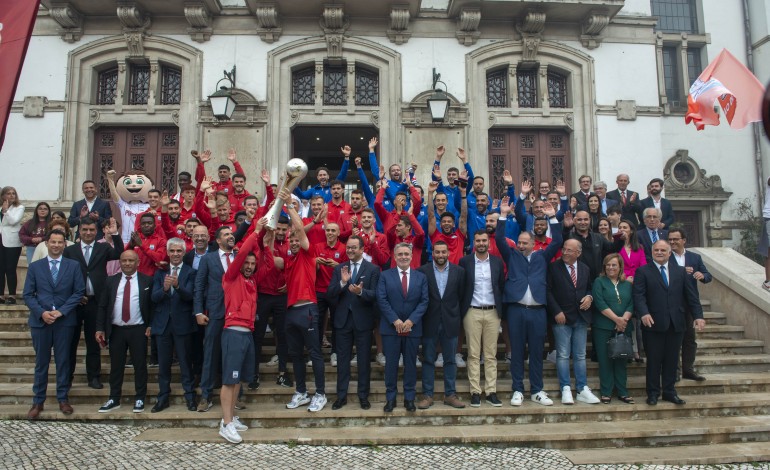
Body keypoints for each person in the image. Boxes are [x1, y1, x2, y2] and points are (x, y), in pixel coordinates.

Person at [496, 196, 562, 406]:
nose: (522, 245)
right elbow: (499, 239)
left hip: (537, 311)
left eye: (526, 243)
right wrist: (503, 216)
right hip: (516, 310)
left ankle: (537, 390)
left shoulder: (542, 256)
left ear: (534, 244)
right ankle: (518, 389)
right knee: (516, 352)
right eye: (520, 242)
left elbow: (558, 241)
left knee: (536, 352)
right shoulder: (512, 255)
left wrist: (552, 217)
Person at [23, 229, 85, 419]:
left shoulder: (73, 266)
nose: (56, 245)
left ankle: (63, 398)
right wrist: (42, 313)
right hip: (41, 321)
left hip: (64, 321)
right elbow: (27, 294)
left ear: (64, 245)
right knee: (41, 363)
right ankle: (38, 401)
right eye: (53, 242)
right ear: (47, 244)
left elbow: (78, 292)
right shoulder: (36, 267)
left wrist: (61, 311)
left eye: (60, 242)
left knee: (63, 362)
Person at [633, 240, 705, 406]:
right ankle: (652, 393)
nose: (659, 252)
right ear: (652, 252)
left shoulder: (681, 272)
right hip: (652, 324)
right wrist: (643, 313)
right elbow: (639, 296)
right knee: (654, 360)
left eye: (663, 250)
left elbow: (692, 297)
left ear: (669, 253)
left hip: (676, 323)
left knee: (672, 360)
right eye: (656, 250)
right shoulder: (643, 271)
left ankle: (669, 392)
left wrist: (698, 316)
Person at [218, 222, 270, 444]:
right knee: (229, 381)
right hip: (233, 332)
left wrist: (264, 239)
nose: (248, 266)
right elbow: (244, 253)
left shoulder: (251, 281)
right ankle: (226, 423)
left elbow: (260, 256)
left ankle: (231, 417)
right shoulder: (231, 276)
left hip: (247, 332)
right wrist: (256, 230)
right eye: (246, 262)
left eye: (251, 263)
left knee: (237, 380)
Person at [63, 217, 124, 390]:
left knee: (93, 342)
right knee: (70, 343)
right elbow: (65, 277)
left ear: (96, 231)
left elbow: (119, 253)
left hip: (95, 302)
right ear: (79, 231)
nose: (88, 233)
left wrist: (115, 234)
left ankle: (94, 377)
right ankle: (67, 378)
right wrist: (74, 296)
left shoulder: (103, 247)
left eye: (91, 230)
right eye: (85, 230)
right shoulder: (70, 250)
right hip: (74, 304)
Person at [282, 189, 327, 412]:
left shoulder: (308, 253)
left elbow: (300, 230)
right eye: (290, 239)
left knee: (315, 352)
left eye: (296, 238)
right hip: (291, 311)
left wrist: (289, 205)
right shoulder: (287, 260)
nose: (293, 241)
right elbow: (268, 251)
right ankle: (301, 391)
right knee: (296, 354)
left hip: (308, 308)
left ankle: (320, 393)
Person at [95, 250, 154, 413]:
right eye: (124, 260)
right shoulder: (111, 281)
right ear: (119, 262)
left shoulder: (147, 281)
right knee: (116, 366)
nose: (127, 263)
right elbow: (102, 306)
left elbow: (152, 306)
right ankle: (114, 398)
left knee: (140, 365)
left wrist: (151, 325)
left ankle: (140, 398)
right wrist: (100, 328)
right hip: (116, 330)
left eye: (131, 260)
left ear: (138, 262)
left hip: (138, 329)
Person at [327, 235, 380, 410]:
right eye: (348, 247)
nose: (349, 250)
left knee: (364, 361)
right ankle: (341, 396)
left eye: (353, 248)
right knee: (342, 361)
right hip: (343, 322)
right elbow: (330, 293)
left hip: (363, 322)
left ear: (362, 249)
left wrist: (360, 293)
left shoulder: (372, 269)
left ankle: (363, 396)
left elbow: (375, 295)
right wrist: (342, 282)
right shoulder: (340, 268)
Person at [546, 239, 599, 405]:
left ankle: (582, 388)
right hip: (562, 318)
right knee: (562, 355)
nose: (565, 253)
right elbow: (547, 291)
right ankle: (566, 388)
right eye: (564, 249)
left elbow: (590, 288)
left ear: (578, 253)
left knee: (580, 355)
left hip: (581, 317)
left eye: (570, 250)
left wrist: (590, 297)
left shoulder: (584, 268)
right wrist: (556, 311)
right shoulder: (554, 267)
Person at [377, 242, 428, 412]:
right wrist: (396, 321)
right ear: (394, 256)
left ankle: (409, 398)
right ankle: (390, 398)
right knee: (391, 365)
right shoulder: (385, 276)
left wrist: (411, 321)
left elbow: (424, 301)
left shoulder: (420, 277)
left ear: (411, 256)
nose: (403, 257)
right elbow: (382, 300)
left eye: (407, 254)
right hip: (391, 329)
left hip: (412, 328)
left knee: (410, 365)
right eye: (400, 254)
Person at [415, 241, 466, 410]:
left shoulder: (459, 272)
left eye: (443, 252)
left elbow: (462, 297)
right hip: (430, 321)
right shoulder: (423, 271)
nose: (441, 255)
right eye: (437, 252)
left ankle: (450, 394)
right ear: (432, 253)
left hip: (451, 322)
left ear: (448, 252)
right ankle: (427, 395)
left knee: (450, 360)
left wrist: (457, 316)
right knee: (428, 359)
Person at [150, 238, 198, 413]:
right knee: (163, 364)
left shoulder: (191, 272)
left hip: (182, 324)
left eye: (179, 251)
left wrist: (177, 287)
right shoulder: (159, 273)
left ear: (184, 253)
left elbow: (190, 296)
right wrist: (164, 289)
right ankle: (163, 397)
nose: (176, 254)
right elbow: (153, 298)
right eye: (173, 251)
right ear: (168, 253)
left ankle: (190, 396)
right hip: (163, 325)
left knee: (185, 362)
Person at [459, 231, 505, 407]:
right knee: (473, 353)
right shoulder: (465, 262)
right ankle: (475, 391)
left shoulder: (497, 262)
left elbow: (500, 285)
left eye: (484, 240)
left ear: (489, 243)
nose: (481, 243)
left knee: (491, 354)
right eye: (477, 240)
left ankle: (491, 391)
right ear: (473, 243)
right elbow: (462, 286)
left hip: (493, 311)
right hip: (472, 311)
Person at [193, 226, 237, 412]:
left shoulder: (239, 257)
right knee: (210, 353)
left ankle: (236, 396)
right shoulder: (208, 259)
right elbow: (199, 286)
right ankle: (206, 395)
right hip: (215, 312)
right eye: (226, 234)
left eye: (231, 234)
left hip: (236, 313)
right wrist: (198, 312)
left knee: (234, 355)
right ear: (218, 240)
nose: (230, 236)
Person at [668, 228, 712, 381]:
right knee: (674, 340)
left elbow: (708, 275)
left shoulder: (695, 257)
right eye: (670, 239)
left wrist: (702, 275)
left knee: (690, 339)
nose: (672, 242)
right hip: (671, 303)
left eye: (676, 239)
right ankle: (675, 371)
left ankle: (688, 369)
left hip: (689, 303)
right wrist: (680, 271)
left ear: (684, 240)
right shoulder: (666, 256)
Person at [592, 253, 635, 404]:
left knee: (621, 359)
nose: (611, 268)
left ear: (620, 267)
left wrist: (624, 320)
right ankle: (606, 392)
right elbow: (599, 302)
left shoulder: (627, 284)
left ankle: (623, 392)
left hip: (624, 327)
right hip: (603, 327)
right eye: (608, 265)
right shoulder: (599, 282)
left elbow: (631, 303)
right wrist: (616, 319)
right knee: (605, 360)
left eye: (614, 265)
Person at [0, 186, 24, 305]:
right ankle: (1, 295)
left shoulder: (19, 207)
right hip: (0, 239)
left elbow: (13, 221)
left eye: (13, 193)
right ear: (3, 196)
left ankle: (12, 295)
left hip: (12, 241)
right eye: (8, 193)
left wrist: (6, 211)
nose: (11, 195)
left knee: (10, 268)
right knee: (0, 269)